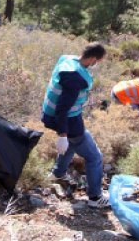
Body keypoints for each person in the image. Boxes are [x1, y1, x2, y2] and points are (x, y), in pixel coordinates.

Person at [41, 43, 110, 209]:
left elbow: (67, 94)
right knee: (94, 157)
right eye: (98, 60)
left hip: (49, 114)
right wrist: (62, 135)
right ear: (93, 58)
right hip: (67, 120)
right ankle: (95, 197)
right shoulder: (74, 78)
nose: (96, 63)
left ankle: (58, 173)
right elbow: (63, 108)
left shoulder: (68, 59)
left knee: (72, 143)